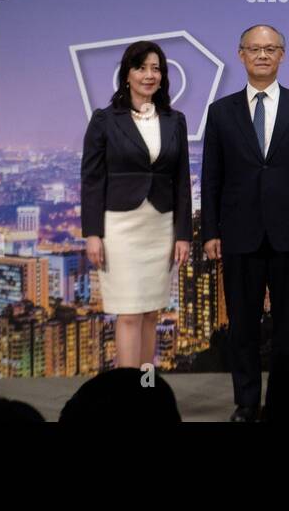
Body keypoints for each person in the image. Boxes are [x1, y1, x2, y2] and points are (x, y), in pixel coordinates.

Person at [201, 24, 289, 421]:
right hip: (238, 233)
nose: (262, 55)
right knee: (242, 324)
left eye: (270, 48)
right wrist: (210, 231)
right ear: (240, 54)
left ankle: (281, 402)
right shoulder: (220, 111)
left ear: (282, 55)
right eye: (254, 49)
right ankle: (246, 402)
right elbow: (212, 178)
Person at [81, 40, 191, 368]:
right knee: (129, 314)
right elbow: (91, 180)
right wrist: (92, 234)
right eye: (141, 68)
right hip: (120, 228)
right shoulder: (104, 120)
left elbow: (182, 181)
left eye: (156, 69)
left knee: (151, 314)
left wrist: (183, 234)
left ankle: (146, 392)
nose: (149, 75)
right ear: (127, 74)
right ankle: (127, 399)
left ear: (163, 76)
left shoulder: (175, 120)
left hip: (160, 226)